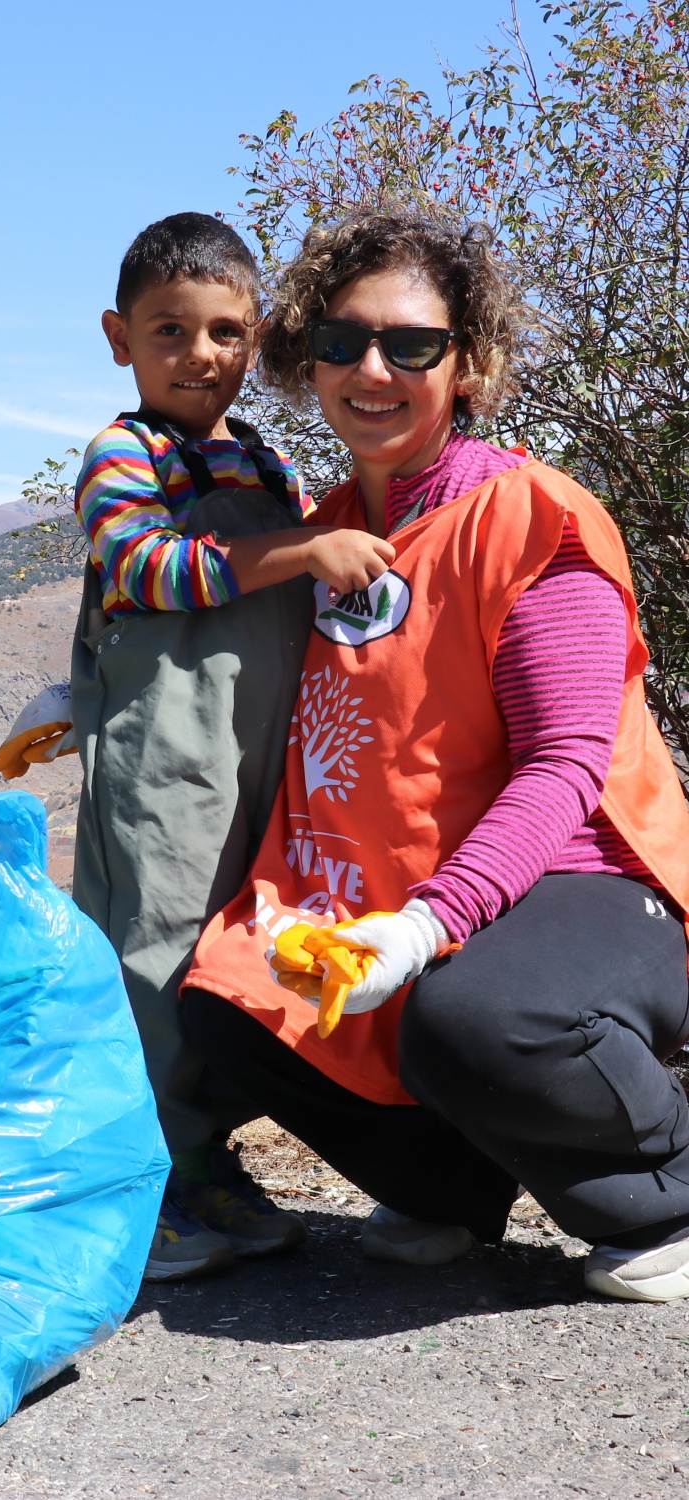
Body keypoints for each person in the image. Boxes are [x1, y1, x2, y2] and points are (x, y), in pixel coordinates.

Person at [183, 207, 689, 1303]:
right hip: (405, 884)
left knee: (478, 1019)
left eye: (410, 345)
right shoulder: (316, 535)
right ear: (305, 357)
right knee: (226, 991)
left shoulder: (532, 521)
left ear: (471, 366)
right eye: (341, 340)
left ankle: (661, 1187)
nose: (372, 368)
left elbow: (563, 768)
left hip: (588, 884)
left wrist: (424, 927)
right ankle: (450, 1188)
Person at [67, 212, 395, 1281]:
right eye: (169, 330)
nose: (198, 355)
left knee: (224, 954)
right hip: (162, 759)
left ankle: (205, 1161)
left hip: (259, 762)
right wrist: (301, 548)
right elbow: (145, 572)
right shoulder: (122, 454)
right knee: (149, 958)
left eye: (223, 333)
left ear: (255, 342)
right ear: (120, 338)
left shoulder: (262, 459)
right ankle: (140, 1186)